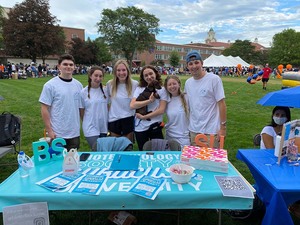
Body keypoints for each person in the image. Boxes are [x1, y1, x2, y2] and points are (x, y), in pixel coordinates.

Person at [39, 54, 83, 150]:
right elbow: (44, 108)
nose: (68, 67)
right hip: (57, 133)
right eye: (65, 64)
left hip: (74, 133)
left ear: (74, 67)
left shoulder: (78, 85)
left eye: (71, 65)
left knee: (72, 161)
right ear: (59, 66)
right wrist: (49, 130)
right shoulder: (50, 85)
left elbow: (80, 108)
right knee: (56, 162)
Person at [184, 50, 226, 148]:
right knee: (194, 161)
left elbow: (222, 104)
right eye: (190, 64)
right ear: (187, 66)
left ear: (202, 63)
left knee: (210, 162)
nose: (194, 66)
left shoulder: (214, 79)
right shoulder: (188, 83)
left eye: (196, 62)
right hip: (194, 130)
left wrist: (223, 128)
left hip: (211, 131)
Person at [130, 65, 169, 150]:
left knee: (158, 152)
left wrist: (145, 117)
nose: (149, 77)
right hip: (140, 127)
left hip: (155, 126)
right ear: (143, 78)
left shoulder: (162, 90)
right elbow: (132, 105)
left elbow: (161, 110)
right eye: (146, 75)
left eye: (151, 74)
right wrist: (149, 101)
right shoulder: (140, 89)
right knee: (143, 152)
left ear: (155, 73)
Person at [106, 59, 138, 142]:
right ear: (115, 72)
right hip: (114, 120)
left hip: (128, 119)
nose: (121, 73)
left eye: (123, 70)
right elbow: (107, 102)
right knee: (116, 148)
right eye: (118, 70)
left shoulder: (135, 84)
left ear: (127, 71)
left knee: (127, 148)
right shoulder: (110, 84)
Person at [80, 66, 108, 150]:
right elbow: (81, 110)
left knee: (104, 152)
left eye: (100, 76)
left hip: (103, 126)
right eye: (96, 75)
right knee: (97, 149)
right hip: (90, 127)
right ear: (90, 76)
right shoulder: (83, 92)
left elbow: (108, 106)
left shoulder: (106, 90)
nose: (98, 78)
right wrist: (87, 121)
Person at [164, 75, 190, 148]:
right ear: (166, 87)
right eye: (169, 84)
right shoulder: (166, 100)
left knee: (184, 159)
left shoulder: (187, 97)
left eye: (174, 83)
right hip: (170, 136)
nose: (172, 86)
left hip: (184, 137)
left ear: (179, 84)